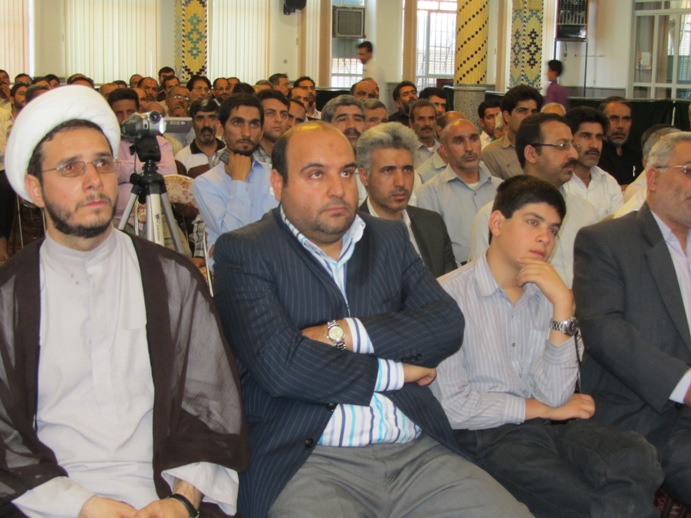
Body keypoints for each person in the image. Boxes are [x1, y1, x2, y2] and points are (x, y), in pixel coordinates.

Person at [212, 120, 531, 518]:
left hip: (417, 450)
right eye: (316, 174)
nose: (337, 189)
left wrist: (345, 332)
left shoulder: (389, 239)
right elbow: (283, 367)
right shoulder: (245, 252)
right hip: (308, 459)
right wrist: (396, 372)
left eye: (346, 172)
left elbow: (446, 324)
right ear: (279, 183)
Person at [1, 84, 248, 516]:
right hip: (45, 499)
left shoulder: (171, 277)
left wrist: (182, 499)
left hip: (162, 491)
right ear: (34, 189)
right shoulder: (9, 295)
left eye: (101, 162)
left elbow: (210, 405)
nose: (94, 180)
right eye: (71, 168)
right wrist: (79, 505)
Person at [434, 175, 663, 517]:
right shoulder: (446, 296)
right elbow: (453, 406)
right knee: (583, 498)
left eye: (553, 230)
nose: (545, 237)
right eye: (533, 222)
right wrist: (540, 409)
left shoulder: (551, 296)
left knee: (635, 455)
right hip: (486, 436)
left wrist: (563, 306)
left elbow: (555, 394)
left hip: (554, 426)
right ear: (497, 223)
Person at [574, 131, 691, 507]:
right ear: (653, 178)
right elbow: (604, 332)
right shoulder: (606, 240)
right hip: (648, 414)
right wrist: (685, 385)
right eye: (689, 170)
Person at [469, 113, 597, 287]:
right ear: (531, 154)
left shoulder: (585, 211)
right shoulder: (493, 216)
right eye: (562, 145)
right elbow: (481, 286)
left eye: (573, 145)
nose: (573, 154)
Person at [357, 122, 456, 277]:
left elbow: (451, 285)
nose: (401, 182)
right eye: (388, 170)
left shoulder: (432, 224)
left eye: (407, 170)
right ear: (364, 176)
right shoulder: (348, 234)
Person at [192, 93, 277, 253]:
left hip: (274, 263)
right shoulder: (205, 183)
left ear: (261, 132)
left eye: (254, 124)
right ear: (220, 128)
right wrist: (239, 179)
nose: (246, 133)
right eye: (237, 123)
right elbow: (235, 238)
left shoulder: (275, 175)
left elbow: (291, 230)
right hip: (234, 267)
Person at [416, 118, 500, 265]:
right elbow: (433, 253)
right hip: (456, 275)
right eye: (459, 141)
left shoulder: (501, 188)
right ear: (444, 150)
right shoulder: (429, 193)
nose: (469, 148)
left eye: (473, 139)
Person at [562, 106, 623, 220]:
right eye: (586, 136)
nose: (594, 145)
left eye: (599, 138)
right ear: (569, 139)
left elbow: (617, 227)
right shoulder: (558, 182)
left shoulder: (609, 183)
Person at [481, 85, 543, 179]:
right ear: (507, 116)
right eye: (522, 111)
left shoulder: (546, 148)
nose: (529, 117)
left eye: (534, 112)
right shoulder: (492, 154)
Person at [597, 96, 644, 186]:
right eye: (614, 118)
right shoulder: (595, 156)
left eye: (626, 119)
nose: (620, 125)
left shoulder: (637, 157)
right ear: (601, 122)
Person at [357, 41, 386, 106]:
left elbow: (372, 91)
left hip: (374, 106)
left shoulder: (374, 70)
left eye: (362, 54)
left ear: (370, 54)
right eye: (359, 54)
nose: (360, 57)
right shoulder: (368, 68)